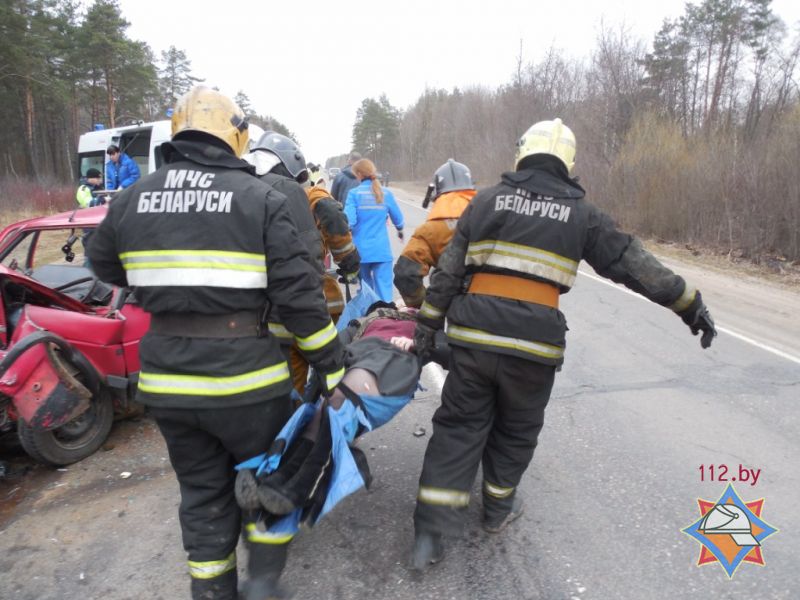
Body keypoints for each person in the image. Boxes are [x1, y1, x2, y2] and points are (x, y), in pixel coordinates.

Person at [410, 118, 718, 570]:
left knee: (458, 429)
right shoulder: (582, 213)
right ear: (568, 164)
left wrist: (426, 330)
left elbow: (449, 273)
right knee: (516, 432)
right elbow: (634, 265)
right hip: (535, 350)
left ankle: (429, 538)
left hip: (473, 341)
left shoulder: (487, 200)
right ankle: (497, 510)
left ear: (522, 153)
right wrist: (689, 304)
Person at [87, 86, 345, 600]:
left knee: (202, 494)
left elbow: (103, 265)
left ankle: (212, 592)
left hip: (168, 384)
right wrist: (331, 365)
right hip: (248, 384)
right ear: (236, 135)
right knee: (270, 480)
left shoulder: (134, 197)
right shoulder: (263, 198)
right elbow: (299, 298)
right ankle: (265, 582)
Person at [247, 132, 360, 395]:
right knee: (327, 370)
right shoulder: (304, 193)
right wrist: (350, 261)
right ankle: (324, 416)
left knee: (290, 381)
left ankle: (298, 417)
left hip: (263, 316)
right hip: (307, 305)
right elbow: (308, 259)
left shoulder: (246, 193)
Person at [394, 159, 477, 307]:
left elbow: (405, 274)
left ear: (437, 192)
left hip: (452, 312)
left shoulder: (430, 230)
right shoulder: (491, 218)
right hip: (497, 310)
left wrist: (423, 305)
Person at [344, 158, 404, 303]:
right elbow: (399, 220)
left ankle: (369, 321)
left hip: (361, 253)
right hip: (382, 251)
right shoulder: (386, 193)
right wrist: (400, 230)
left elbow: (348, 222)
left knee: (366, 292)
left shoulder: (354, 194)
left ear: (359, 174)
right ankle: (387, 320)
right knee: (385, 292)